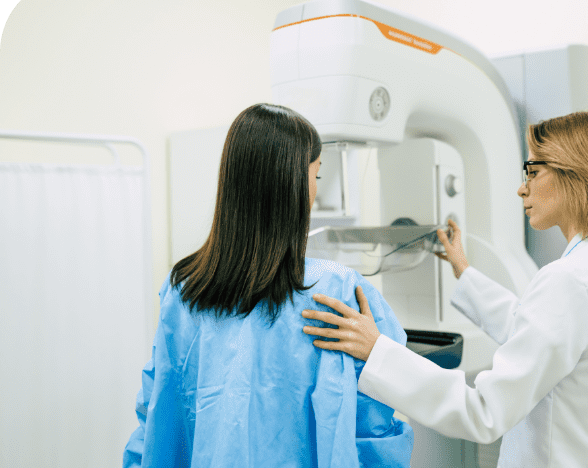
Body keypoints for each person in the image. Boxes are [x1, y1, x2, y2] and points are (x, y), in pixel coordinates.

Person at [302, 108, 588, 468]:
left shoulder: (568, 281)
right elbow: (540, 333)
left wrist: (377, 351)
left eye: (532, 171)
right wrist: (464, 270)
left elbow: (484, 411)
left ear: (576, 173)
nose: (522, 188)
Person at [123, 103, 413, 468]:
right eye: (316, 176)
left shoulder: (183, 290)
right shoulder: (338, 292)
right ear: (291, 184)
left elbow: (155, 422)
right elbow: (373, 425)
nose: (315, 191)